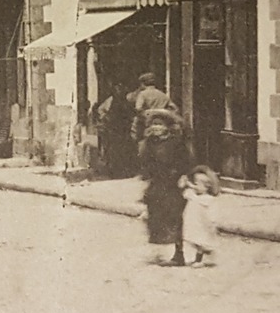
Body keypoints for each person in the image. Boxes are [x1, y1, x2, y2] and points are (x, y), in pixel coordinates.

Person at [139, 106, 191, 265]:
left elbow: (186, 160)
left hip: (173, 184)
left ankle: (179, 253)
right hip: (157, 184)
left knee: (175, 218)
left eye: (160, 124)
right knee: (157, 216)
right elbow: (145, 162)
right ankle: (169, 248)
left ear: (168, 127)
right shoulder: (150, 143)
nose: (156, 127)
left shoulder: (176, 142)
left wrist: (184, 176)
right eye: (153, 124)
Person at [180, 165, 221, 267]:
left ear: (207, 187)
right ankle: (199, 258)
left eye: (197, 184)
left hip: (203, 225)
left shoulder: (207, 199)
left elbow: (212, 212)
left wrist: (212, 221)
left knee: (201, 242)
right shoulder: (194, 196)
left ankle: (199, 260)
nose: (195, 186)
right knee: (195, 240)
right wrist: (185, 183)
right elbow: (185, 192)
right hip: (194, 224)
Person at [94, 79, 136, 179]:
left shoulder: (126, 101)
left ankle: (122, 171)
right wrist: (105, 118)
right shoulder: (111, 100)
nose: (119, 91)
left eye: (120, 89)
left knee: (123, 150)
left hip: (122, 130)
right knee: (114, 151)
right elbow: (101, 110)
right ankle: (115, 171)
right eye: (117, 89)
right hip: (114, 130)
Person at [129, 73, 173, 145]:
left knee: (134, 134)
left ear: (142, 84)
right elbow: (174, 108)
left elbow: (138, 108)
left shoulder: (143, 94)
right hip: (161, 122)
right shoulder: (163, 94)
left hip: (147, 122)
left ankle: (136, 149)